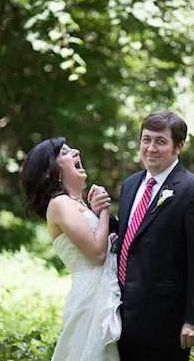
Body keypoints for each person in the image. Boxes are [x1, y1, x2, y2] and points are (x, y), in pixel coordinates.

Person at [89, 110, 194, 361]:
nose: (151, 148)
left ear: (178, 147)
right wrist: (101, 214)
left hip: (165, 318)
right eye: (146, 139)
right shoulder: (130, 185)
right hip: (122, 312)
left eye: (161, 141)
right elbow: (132, 235)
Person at [20, 137, 121, 361]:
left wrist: (97, 213)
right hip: (90, 297)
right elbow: (96, 254)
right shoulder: (60, 204)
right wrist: (104, 210)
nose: (76, 151)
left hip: (104, 288)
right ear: (53, 170)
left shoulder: (77, 204)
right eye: (65, 152)